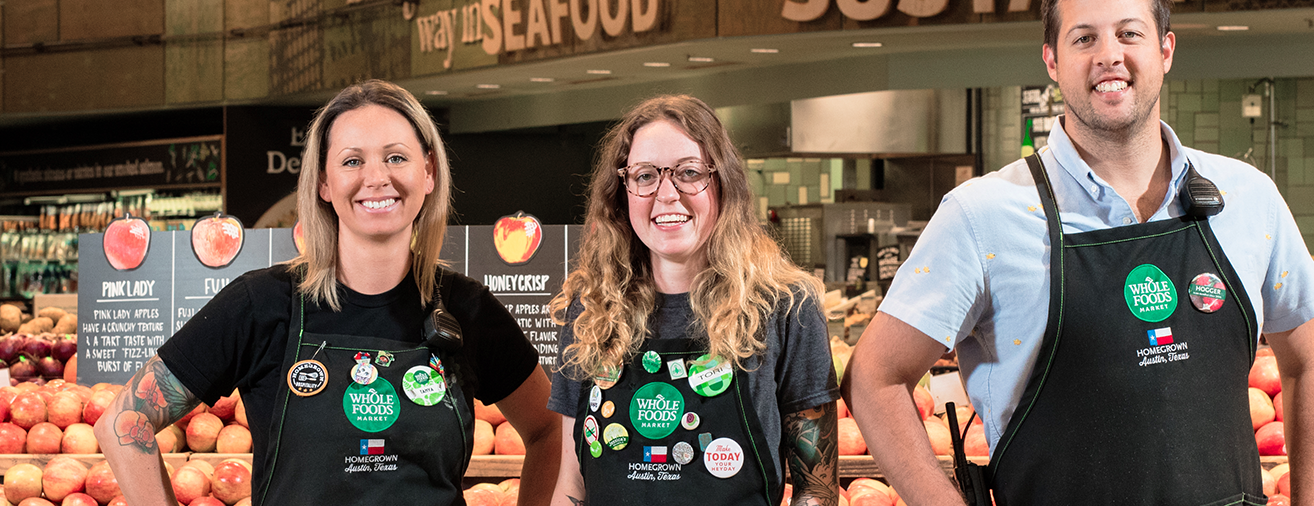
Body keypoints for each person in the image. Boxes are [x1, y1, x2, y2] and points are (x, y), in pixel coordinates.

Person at [844, 0, 1314, 506]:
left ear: (1165, 50)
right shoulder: (982, 216)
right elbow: (873, 378)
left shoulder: (1247, 198)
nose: (1110, 56)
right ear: (1052, 60)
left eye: (1130, 33)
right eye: (1084, 39)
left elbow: (1310, 363)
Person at [95, 80, 562, 506]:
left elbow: (549, 430)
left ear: (429, 173)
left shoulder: (468, 309)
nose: (376, 177)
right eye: (352, 160)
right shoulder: (261, 303)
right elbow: (123, 425)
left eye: (396, 157)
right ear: (323, 181)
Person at [547, 95, 840, 506]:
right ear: (622, 190)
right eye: (645, 176)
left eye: (688, 172)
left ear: (723, 183)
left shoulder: (785, 307)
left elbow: (816, 491)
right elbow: (571, 486)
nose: (666, 194)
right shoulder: (590, 308)